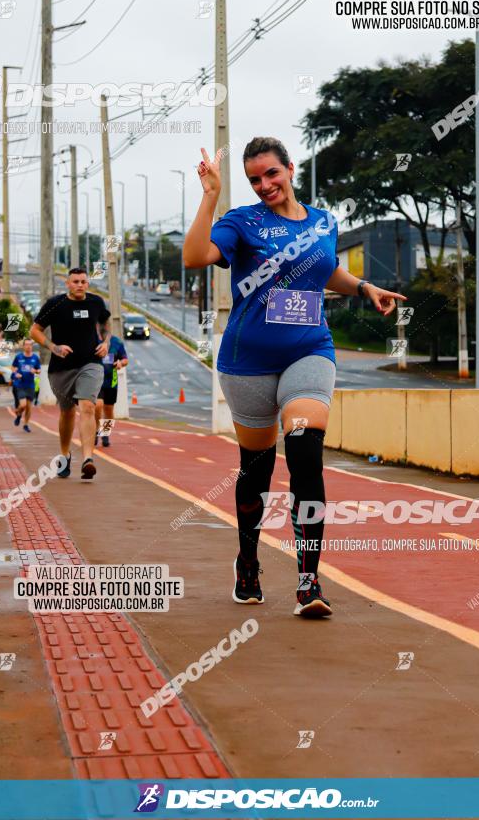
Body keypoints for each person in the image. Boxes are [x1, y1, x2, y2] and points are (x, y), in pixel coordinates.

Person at [184, 137, 406, 617]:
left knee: (305, 454)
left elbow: (325, 272)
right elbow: (195, 257)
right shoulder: (241, 222)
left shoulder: (324, 220)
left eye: (271, 174)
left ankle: (309, 581)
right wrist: (209, 195)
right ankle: (248, 562)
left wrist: (363, 286)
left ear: (289, 169)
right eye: (254, 179)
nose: (264, 185)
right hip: (247, 362)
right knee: (257, 473)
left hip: (309, 351)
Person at [30, 267, 111, 480]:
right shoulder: (55, 304)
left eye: (83, 281)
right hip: (61, 368)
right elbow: (35, 330)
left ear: (88, 283)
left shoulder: (96, 302)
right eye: (75, 281)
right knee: (66, 412)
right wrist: (54, 347)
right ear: (67, 283)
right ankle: (65, 455)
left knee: (87, 406)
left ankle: (87, 460)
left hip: (90, 363)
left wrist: (106, 343)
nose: (80, 285)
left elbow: (106, 324)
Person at [95, 334, 128, 447]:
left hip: (111, 382)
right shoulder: (92, 339)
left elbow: (125, 359)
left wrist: (120, 363)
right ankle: (95, 431)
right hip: (96, 381)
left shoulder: (116, 342)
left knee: (109, 410)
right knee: (98, 405)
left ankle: (105, 434)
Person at [11, 339, 41, 433]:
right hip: (20, 384)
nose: (28, 346)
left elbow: (39, 369)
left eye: (30, 345)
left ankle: (26, 424)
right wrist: (16, 373)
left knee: (28, 407)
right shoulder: (18, 357)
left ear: (32, 346)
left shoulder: (35, 357)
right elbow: (13, 367)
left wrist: (35, 371)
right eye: (26, 345)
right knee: (23, 405)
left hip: (30, 385)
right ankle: (18, 414)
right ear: (23, 346)